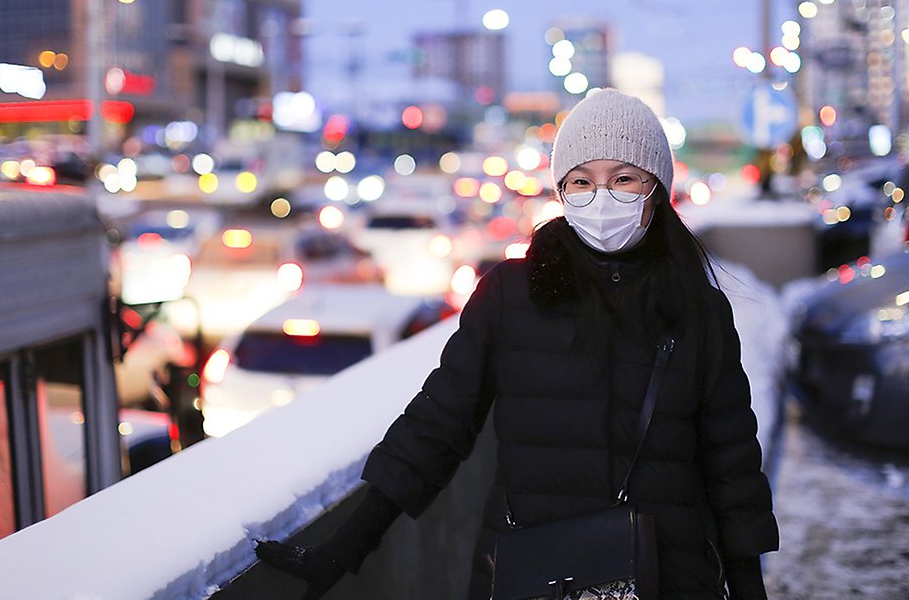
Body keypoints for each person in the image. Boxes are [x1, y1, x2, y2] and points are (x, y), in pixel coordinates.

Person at [255, 88, 779, 600]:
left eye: (623, 178)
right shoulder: (512, 295)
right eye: (581, 182)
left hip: (671, 574)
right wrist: (345, 547)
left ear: (656, 191)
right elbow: (439, 423)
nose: (601, 198)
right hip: (537, 573)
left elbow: (730, 462)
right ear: (561, 193)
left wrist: (748, 585)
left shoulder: (697, 309)